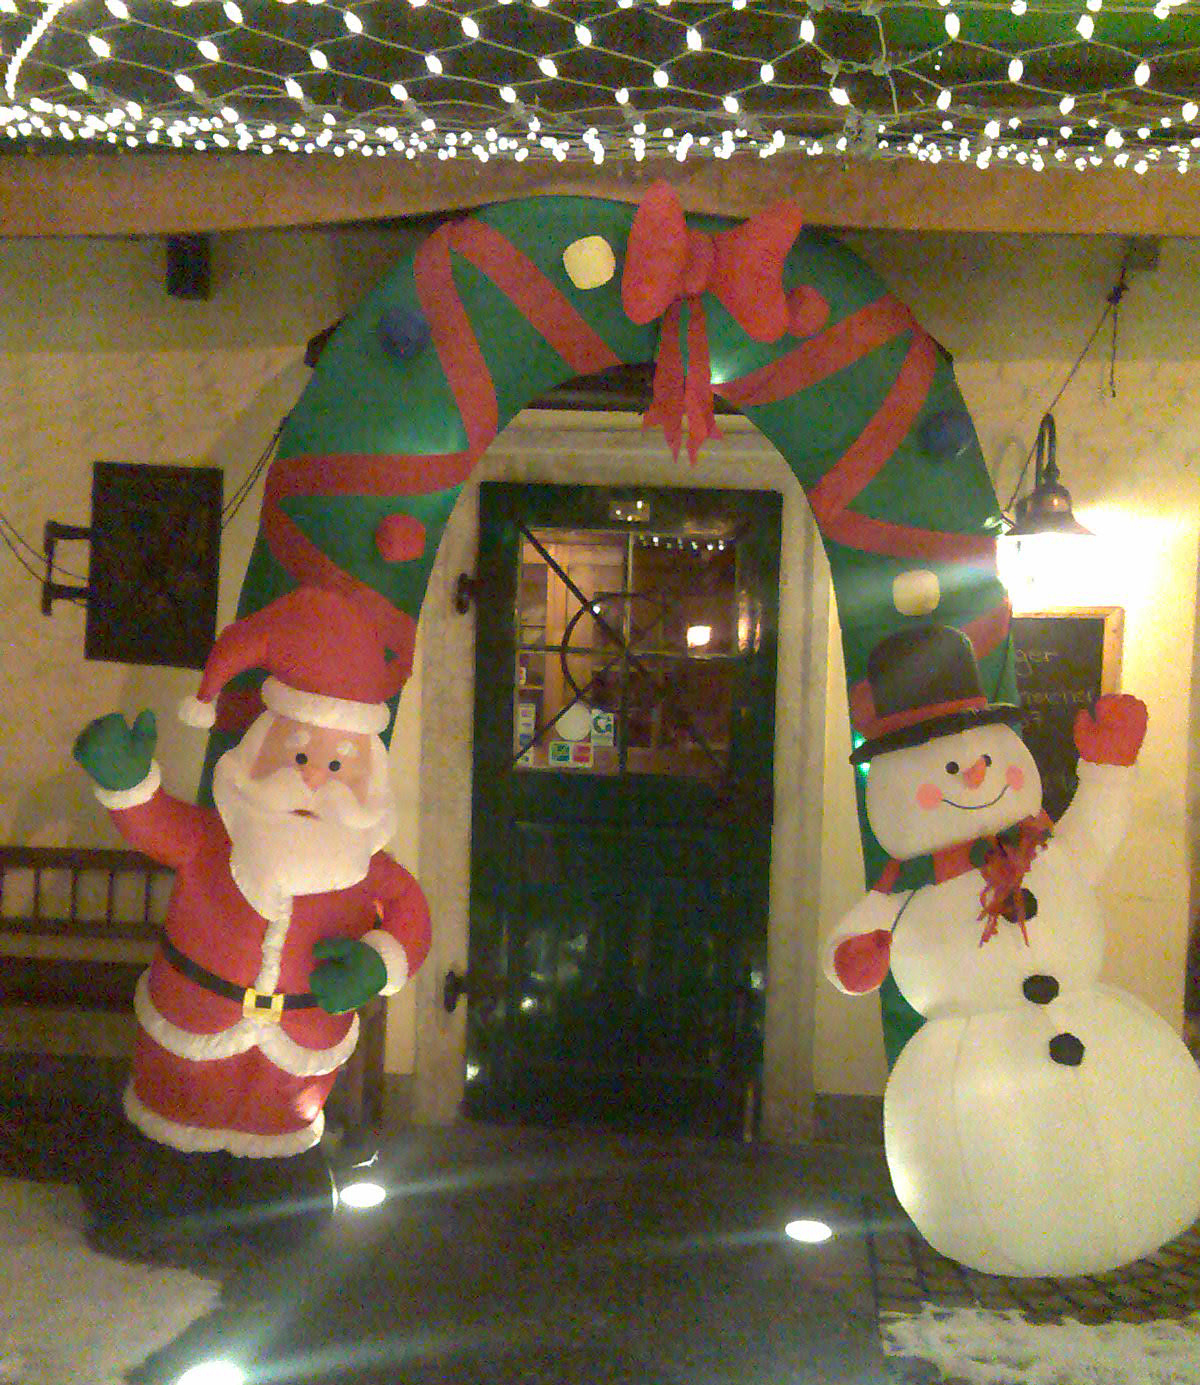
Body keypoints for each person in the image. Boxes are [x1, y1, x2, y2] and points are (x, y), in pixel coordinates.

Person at [72, 586, 430, 1251]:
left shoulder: (370, 871)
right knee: (167, 1146)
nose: (314, 778)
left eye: (336, 764)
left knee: (278, 1170)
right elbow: (157, 824)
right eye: (299, 756)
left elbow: (410, 916)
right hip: (189, 1039)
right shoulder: (214, 839)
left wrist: (377, 963)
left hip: (295, 1067)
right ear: (258, 754)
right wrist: (127, 782)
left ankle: (273, 1199)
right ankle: (158, 1187)